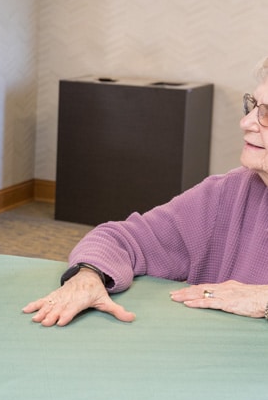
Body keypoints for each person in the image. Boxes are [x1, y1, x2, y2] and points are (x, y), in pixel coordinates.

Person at [24, 56, 268, 327]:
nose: (245, 122)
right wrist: (89, 275)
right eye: (254, 106)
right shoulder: (229, 192)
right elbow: (122, 238)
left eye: (267, 114)